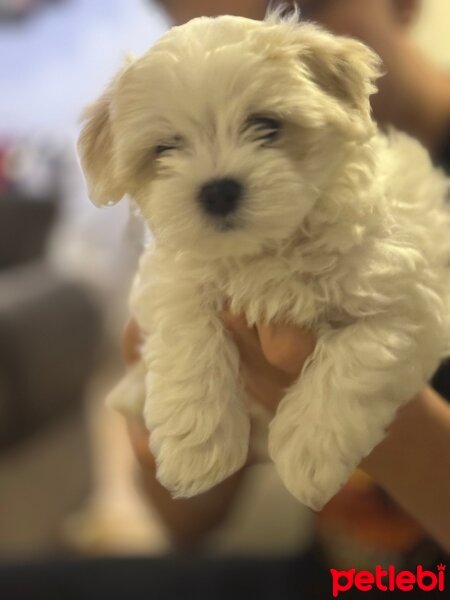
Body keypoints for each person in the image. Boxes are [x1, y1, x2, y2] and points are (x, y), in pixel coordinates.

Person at [126, 0, 450, 553]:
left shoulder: (385, 225)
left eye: (297, 6)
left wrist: (379, 418)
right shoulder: (196, 240)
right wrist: (184, 409)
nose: (259, 38)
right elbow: (188, 516)